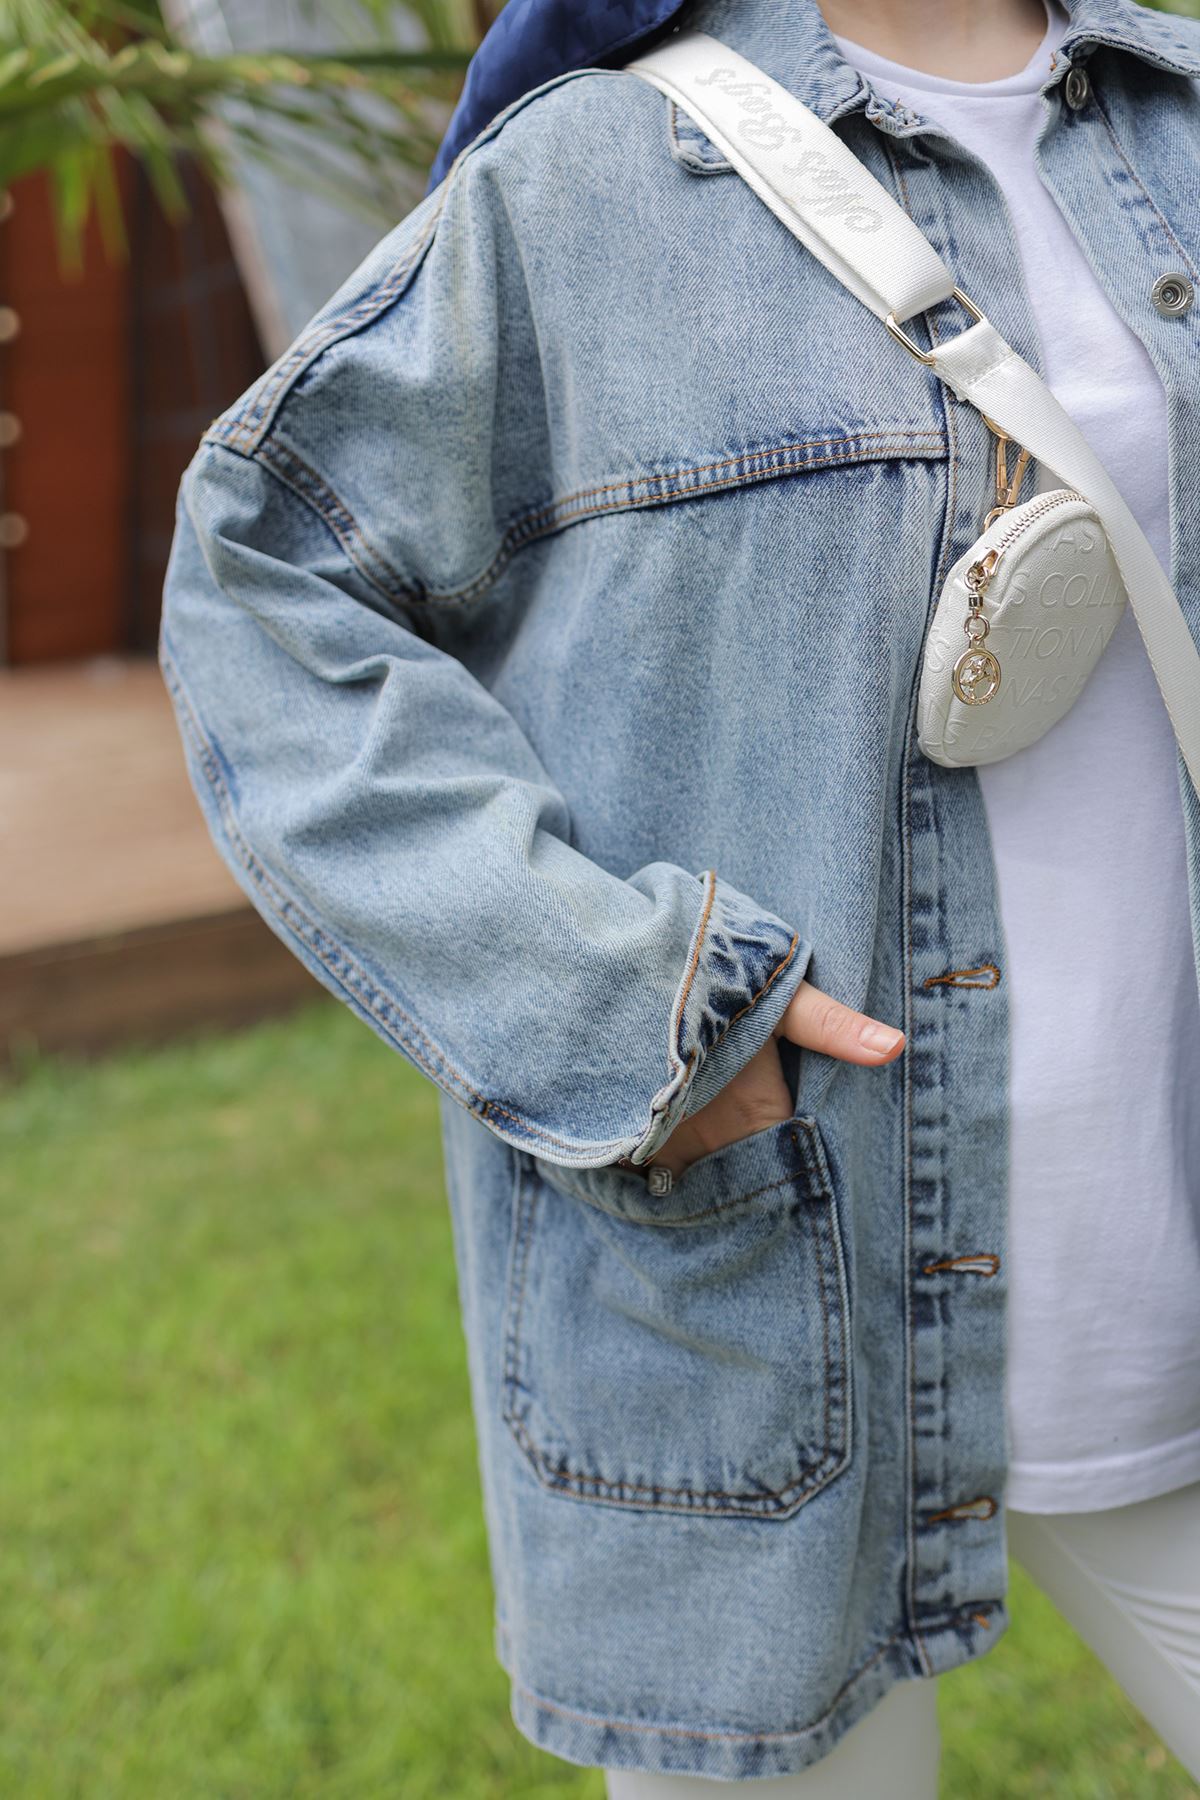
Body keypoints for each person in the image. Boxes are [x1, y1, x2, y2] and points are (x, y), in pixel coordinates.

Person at [158, 0, 1200, 1789]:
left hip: (1163, 1245)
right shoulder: (582, 179)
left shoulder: (1178, 120)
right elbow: (265, 581)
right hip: (761, 1277)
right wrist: (627, 1012)